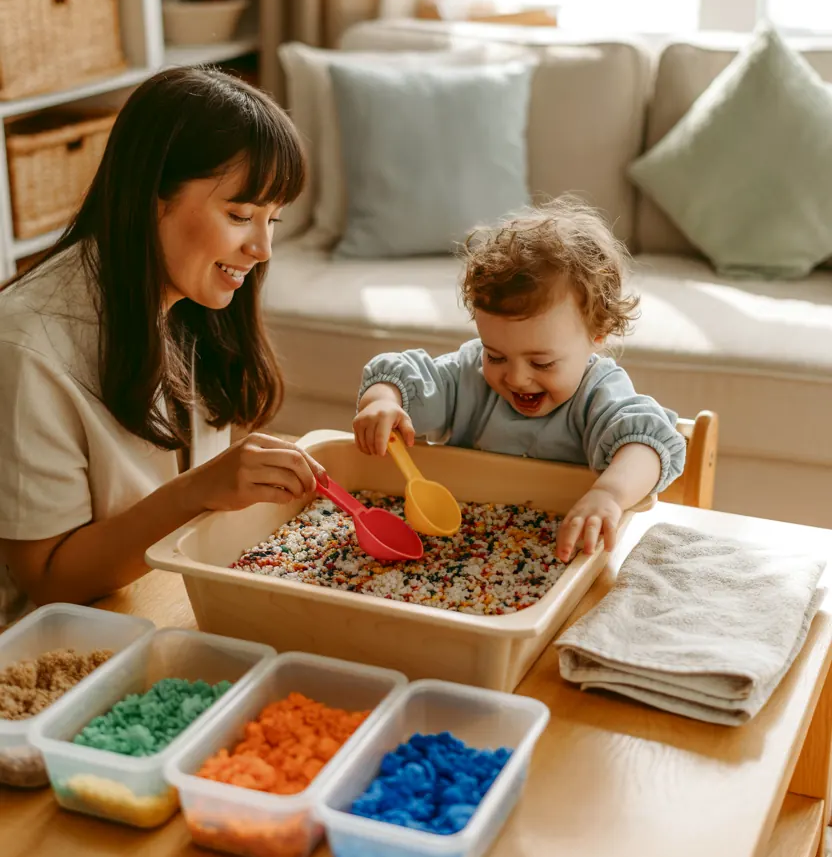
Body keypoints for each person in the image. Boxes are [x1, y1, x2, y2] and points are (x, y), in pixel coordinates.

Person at [0, 66, 327, 623]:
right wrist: (199, 490)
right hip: (67, 639)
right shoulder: (26, 346)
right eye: (241, 215)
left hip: (164, 598)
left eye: (273, 219)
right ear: (154, 195)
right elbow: (49, 579)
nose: (262, 248)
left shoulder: (192, 302)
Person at [353, 196, 686, 562]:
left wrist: (608, 494)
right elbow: (404, 379)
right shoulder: (470, 376)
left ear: (598, 333)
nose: (515, 377)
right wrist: (383, 400)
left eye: (541, 363)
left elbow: (648, 444)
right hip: (459, 546)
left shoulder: (598, 394)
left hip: (564, 551)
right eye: (495, 354)